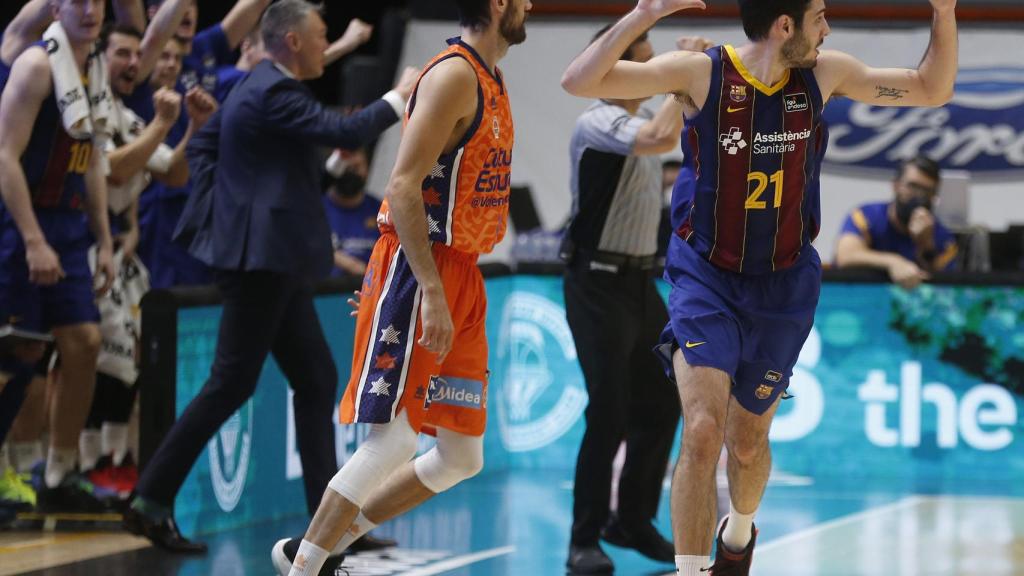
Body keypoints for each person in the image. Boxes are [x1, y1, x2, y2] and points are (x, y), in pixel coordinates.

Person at [561, 0, 958, 574]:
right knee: (700, 431)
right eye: (820, 15)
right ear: (785, 25)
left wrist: (943, 13)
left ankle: (740, 533)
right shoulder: (702, 72)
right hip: (706, 276)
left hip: (783, 283)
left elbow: (931, 88)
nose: (829, 27)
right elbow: (580, 80)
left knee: (746, 444)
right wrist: (645, 12)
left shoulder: (826, 73)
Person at [122, 0, 417, 554]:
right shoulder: (274, 90)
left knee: (314, 379)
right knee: (231, 382)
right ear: (295, 42)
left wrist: (234, 201)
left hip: (268, 260)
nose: (326, 41)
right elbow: (344, 127)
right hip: (261, 262)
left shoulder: (254, 88)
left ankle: (326, 528)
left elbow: (217, 149)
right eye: (321, 33)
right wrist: (400, 96)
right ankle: (148, 500)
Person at [269, 0, 530, 574]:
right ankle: (306, 568)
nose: (530, 5)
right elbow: (403, 186)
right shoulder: (455, 75)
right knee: (393, 441)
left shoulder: (492, 76)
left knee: (461, 457)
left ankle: (321, 548)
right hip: (425, 268)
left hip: (461, 270)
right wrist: (428, 290)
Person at [562, 26, 712, 575]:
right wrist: (682, 81)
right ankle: (584, 536)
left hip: (638, 283)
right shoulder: (598, 120)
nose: (655, 73)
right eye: (647, 64)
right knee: (607, 412)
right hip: (595, 283)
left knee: (660, 400)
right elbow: (654, 138)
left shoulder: (645, 120)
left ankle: (633, 518)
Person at [0, 0, 118, 511]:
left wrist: (106, 240)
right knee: (18, 351)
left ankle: (59, 472)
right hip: (20, 220)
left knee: (86, 341)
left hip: (70, 228)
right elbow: (3, 155)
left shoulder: (95, 68)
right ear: (55, 7)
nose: (90, 9)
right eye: (78, 0)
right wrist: (31, 239)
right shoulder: (34, 66)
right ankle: (12, 470)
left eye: (98, 0)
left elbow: (90, 161)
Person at [835, 155, 958, 289]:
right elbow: (845, 256)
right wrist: (893, 262)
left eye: (927, 191)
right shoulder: (866, 216)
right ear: (896, 186)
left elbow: (947, 288)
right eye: (913, 186)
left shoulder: (943, 237)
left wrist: (926, 246)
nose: (919, 196)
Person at [322, 147, 382, 277]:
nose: (350, 174)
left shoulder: (381, 211)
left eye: (355, 168)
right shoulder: (315, 208)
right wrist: (349, 264)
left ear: (366, 169)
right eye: (345, 169)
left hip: (369, 290)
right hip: (324, 291)